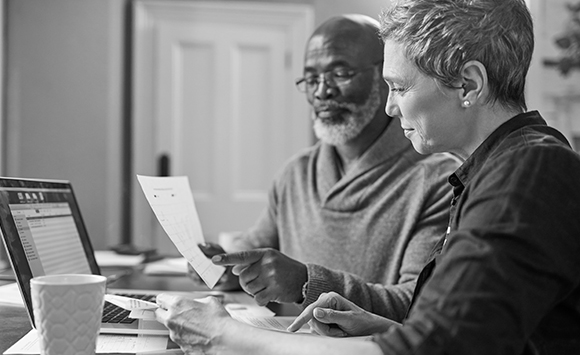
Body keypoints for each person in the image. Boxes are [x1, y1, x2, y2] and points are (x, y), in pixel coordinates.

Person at [155, 0, 580, 354]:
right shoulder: (492, 171)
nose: (391, 108)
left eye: (398, 87)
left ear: (468, 84)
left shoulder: (528, 171)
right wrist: (376, 326)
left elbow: (435, 349)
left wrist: (225, 334)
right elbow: (465, 331)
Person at [188, 14, 460, 322]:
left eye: (339, 72)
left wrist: (307, 283)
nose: (321, 91)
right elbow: (255, 255)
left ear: (386, 78)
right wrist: (224, 269)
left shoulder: (439, 181)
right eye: (311, 79)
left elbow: (416, 302)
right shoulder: (296, 174)